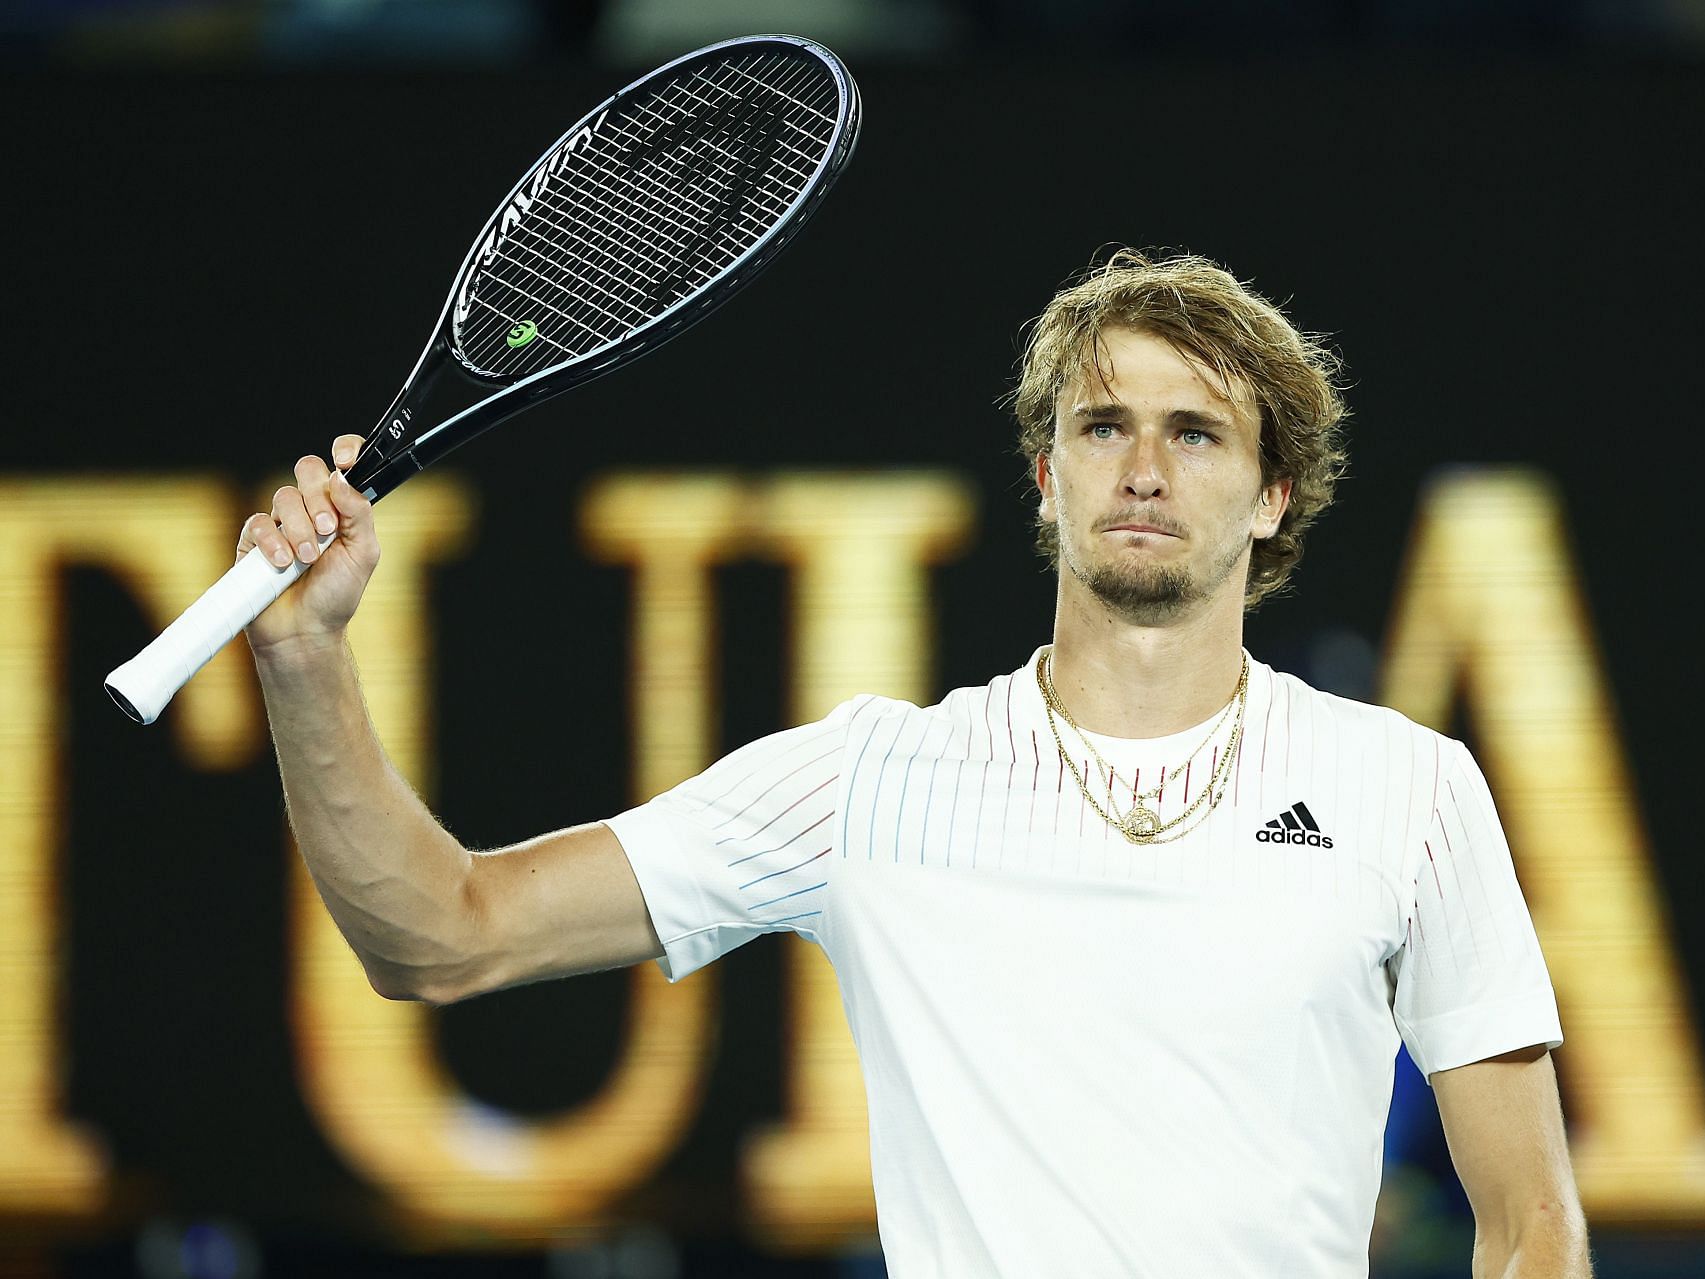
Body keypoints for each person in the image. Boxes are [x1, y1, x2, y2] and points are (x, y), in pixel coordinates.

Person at [242, 248, 1590, 1277]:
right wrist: (305, 662)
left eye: (1198, 434)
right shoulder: (866, 783)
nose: (1143, 469)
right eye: (1102, 426)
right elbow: (441, 935)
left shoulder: (1405, 786)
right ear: (1047, 476)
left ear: (1273, 494)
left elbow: (1532, 1225)